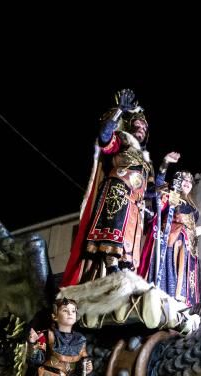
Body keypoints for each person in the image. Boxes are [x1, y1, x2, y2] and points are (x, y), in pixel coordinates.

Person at [61, 89, 157, 286]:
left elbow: (151, 190)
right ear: (130, 127)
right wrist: (119, 111)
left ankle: (125, 271)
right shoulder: (122, 140)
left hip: (135, 204)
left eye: (144, 128)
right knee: (113, 235)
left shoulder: (147, 162)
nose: (141, 129)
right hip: (118, 191)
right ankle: (111, 268)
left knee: (130, 245)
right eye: (137, 125)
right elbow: (105, 138)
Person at [153, 170, 201, 306]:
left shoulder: (192, 205)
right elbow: (164, 207)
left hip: (190, 247)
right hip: (175, 243)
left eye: (190, 181)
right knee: (174, 280)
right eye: (184, 180)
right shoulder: (175, 197)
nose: (188, 183)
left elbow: (193, 231)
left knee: (188, 285)